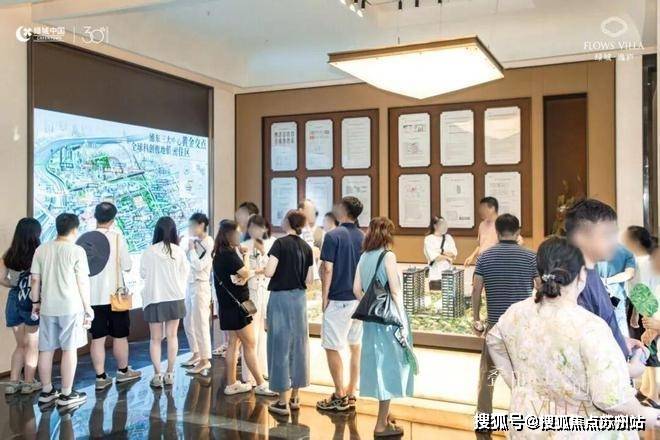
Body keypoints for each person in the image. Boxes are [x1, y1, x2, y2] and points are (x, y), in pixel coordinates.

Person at [486, 236, 660, 438]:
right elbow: (611, 399)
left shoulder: (516, 312)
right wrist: (644, 411)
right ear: (582, 275)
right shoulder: (589, 327)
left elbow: (493, 340)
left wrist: (518, 385)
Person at [470, 214, 539, 431]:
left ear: (497, 232)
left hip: (495, 326)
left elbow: (476, 290)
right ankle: (523, 419)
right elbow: (540, 288)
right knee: (523, 375)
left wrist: (476, 319)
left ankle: (483, 420)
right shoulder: (531, 257)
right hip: (521, 327)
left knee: (488, 375)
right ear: (518, 232)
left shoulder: (485, 257)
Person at [565, 199, 645, 370]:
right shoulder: (575, 283)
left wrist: (621, 341)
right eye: (607, 234)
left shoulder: (590, 272)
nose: (614, 242)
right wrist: (630, 370)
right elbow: (586, 349)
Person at [352, 217, 414, 438]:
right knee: (388, 368)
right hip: (389, 322)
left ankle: (386, 416)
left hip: (372, 321)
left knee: (377, 365)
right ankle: (380, 424)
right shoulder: (388, 256)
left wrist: (371, 305)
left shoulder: (363, 257)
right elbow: (395, 291)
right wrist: (402, 319)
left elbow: (356, 289)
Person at [30, 213, 92, 408]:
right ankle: (66, 394)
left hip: (48, 307)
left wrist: (35, 302)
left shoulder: (41, 249)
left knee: (46, 350)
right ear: (74, 229)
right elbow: (82, 282)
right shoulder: (77, 251)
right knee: (69, 349)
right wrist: (87, 307)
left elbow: (35, 279)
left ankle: (47, 391)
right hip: (71, 307)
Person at [212, 219, 275, 397]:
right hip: (237, 307)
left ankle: (231, 383)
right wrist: (246, 256)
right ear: (229, 235)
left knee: (234, 344)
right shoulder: (229, 254)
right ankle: (261, 384)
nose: (240, 235)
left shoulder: (219, 253)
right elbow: (245, 272)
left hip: (227, 307)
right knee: (250, 343)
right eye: (237, 232)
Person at [263, 210, 314, 416]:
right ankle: (295, 397)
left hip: (281, 299)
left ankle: (282, 402)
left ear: (288, 222)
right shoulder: (306, 247)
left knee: (280, 345)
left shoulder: (279, 244)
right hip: (299, 300)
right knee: (299, 345)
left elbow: (269, 271)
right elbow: (309, 279)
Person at [317, 197, 365, 412]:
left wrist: (324, 296)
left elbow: (327, 268)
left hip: (338, 300)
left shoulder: (332, 235)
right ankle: (351, 391)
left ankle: (339, 395)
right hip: (358, 300)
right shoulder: (363, 236)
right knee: (355, 346)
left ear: (344, 210)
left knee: (332, 346)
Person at [88, 202, 141, 391]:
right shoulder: (118, 238)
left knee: (97, 338)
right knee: (120, 335)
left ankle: (100, 377)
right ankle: (123, 371)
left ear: (95, 216)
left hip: (93, 297)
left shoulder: (86, 238)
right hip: (116, 295)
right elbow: (127, 266)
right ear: (113, 219)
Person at [140, 216, 189, 388]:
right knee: (172, 336)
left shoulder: (149, 251)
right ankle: (170, 373)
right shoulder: (179, 251)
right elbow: (185, 273)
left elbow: (143, 274)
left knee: (155, 339)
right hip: (175, 298)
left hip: (154, 298)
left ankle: (157, 375)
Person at [1, 218, 42, 395]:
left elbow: (2, 278)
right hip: (31, 301)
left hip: (13, 301)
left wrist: (15, 285)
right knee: (32, 344)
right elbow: (38, 280)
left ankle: (12, 383)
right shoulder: (39, 253)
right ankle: (28, 383)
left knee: (20, 345)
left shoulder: (9, 254)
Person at [240, 215, 275, 385]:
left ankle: (263, 369)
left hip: (266, 290)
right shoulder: (245, 245)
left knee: (263, 331)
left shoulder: (272, 243)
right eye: (252, 227)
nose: (255, 230)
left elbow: (273, 268)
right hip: (251, 291)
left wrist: (260, 270)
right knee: (251, 333)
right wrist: (258, 271)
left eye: (258, 227)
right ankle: (249, 374)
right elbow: (243, 271)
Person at [182, 213, 214, 374]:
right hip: (190, 284)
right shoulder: (194, 242)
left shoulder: (208, 242)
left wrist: (192, 250)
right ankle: (196, 353)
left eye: (192, 226)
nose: (190, 229)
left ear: (201, 225)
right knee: (188, 321)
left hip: (201, 286)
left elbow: (199, 265)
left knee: (201, 323)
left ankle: (205, 359)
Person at [597, 243, 636, 338]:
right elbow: (629, 274)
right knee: (622, 337)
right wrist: (607, 281)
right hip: (617, 300)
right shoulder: (626, 252)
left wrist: (602, 281)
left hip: (595, 299)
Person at [423, 216, 457, 291]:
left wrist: (440, 251)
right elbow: (435, 257)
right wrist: (447, 257)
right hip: (436, 278)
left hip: (449, 276)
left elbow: (453, 254)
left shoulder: (448, 237)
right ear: (435, 226)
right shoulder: (429, 239)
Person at [464, 197, 499, 267]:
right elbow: (480, 245)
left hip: (495, 263)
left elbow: (519, 241)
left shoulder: (503, 223)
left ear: (492, 208)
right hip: (481, 262)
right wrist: (472, 256)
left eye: (483, 208)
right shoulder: (482, 224)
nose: (480, 211)